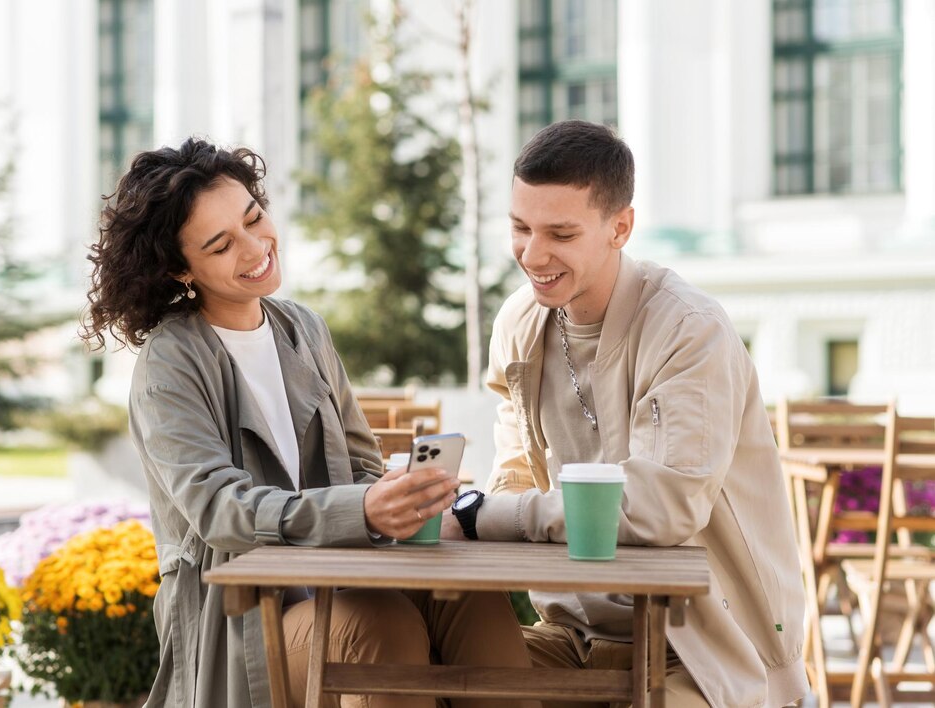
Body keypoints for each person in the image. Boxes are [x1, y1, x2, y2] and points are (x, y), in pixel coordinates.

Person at [82, 137, 537, 708]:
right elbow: (217, 509)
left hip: (343, 579)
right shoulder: (171, 362)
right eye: (222, 245)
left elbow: (363, 464)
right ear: (179, 268)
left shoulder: (302, 329)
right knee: (378, 626)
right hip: (244, 615)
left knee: (473, 599)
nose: (255, 248)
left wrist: (409, 497)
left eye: (254, 218)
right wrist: (363, 511)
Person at [444, 121, 808, 708]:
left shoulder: (688, 330)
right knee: (419, 673)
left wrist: (483, 515)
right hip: (572, 637)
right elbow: (514, 475)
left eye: (560, 233)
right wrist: (447, 508)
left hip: (696, 648)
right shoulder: (519, 324)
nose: (532, 255)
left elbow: (662, 507)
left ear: (620, 227)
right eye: (519, 228)